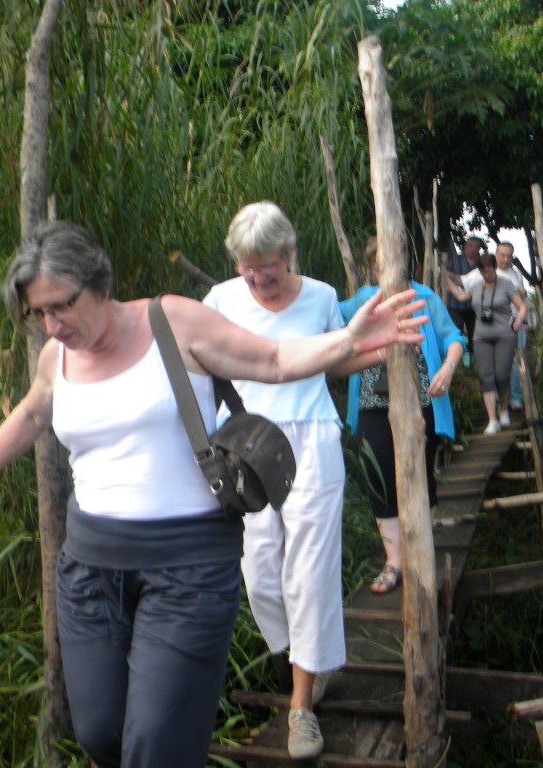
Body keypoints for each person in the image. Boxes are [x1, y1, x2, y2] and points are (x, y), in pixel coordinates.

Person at [0, 220, 427, 768]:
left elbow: (272, 360)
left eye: (60, 306)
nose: (51, 325)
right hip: (90, 568)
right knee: (98, 732)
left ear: (98, 283)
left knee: (157, 743)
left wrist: (351, 340)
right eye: (37, 314)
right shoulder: (55, 357)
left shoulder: (172, 320)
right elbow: (34, 411)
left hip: (187, 566)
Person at [202, 201, 378, 760]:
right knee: (260, 574)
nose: (256, 279)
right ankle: (310, 658)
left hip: (311, 440)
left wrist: (371, 346)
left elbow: (334, 363)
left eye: (267, 267)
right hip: (246, 444)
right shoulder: (221, 301)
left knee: (309, 571)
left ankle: (302, 704)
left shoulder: (323, 296)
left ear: (288, 254)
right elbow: (198, 361)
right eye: (246, 267)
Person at [339, 236, 465, 594]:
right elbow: (325, 318)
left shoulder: (425, 297)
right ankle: (394, 562)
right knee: (380, 479)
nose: (391, 265)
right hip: (371, 407)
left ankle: (419, 552)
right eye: (382, 261)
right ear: (372, 267)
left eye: (396, 257)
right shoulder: (361, 302)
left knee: (419, 476)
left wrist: (449, 368)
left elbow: (453, 337)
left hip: (421, 403)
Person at [446, 251, 526, 435]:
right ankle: (492, 419)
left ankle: (504, 409)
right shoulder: (476, 286)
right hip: (481, 337)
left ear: (494, 268)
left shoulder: (506, 284)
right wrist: (444, 277)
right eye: (483, 272)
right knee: (486, 377)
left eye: (489, 272)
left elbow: (521, 307)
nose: (487, 275)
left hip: (504, 336)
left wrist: (516, 323)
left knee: (501, 375)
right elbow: (460, 296)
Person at [493, 241, 528, 411]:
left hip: (516, 321)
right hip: (496, 323)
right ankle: (499, 401)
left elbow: (523, 297)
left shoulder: (516, 274)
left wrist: (523, 294)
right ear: (496, 255)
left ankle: (516, 398)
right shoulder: (488, 273)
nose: (505, 259)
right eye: (502, 255)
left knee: (516, 362)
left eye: (509, 256)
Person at [443, 235, 483, 359]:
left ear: (479, 249)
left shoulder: (482, 264)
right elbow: (445, 277)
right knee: (455, 332)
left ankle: (475, 360)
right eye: (470, 246)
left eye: (476, 247)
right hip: (455, 304)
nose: (472, 249)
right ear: (465, 247)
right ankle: (455, 360)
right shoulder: (454, 260)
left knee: (476, 334)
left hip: (474, 306)